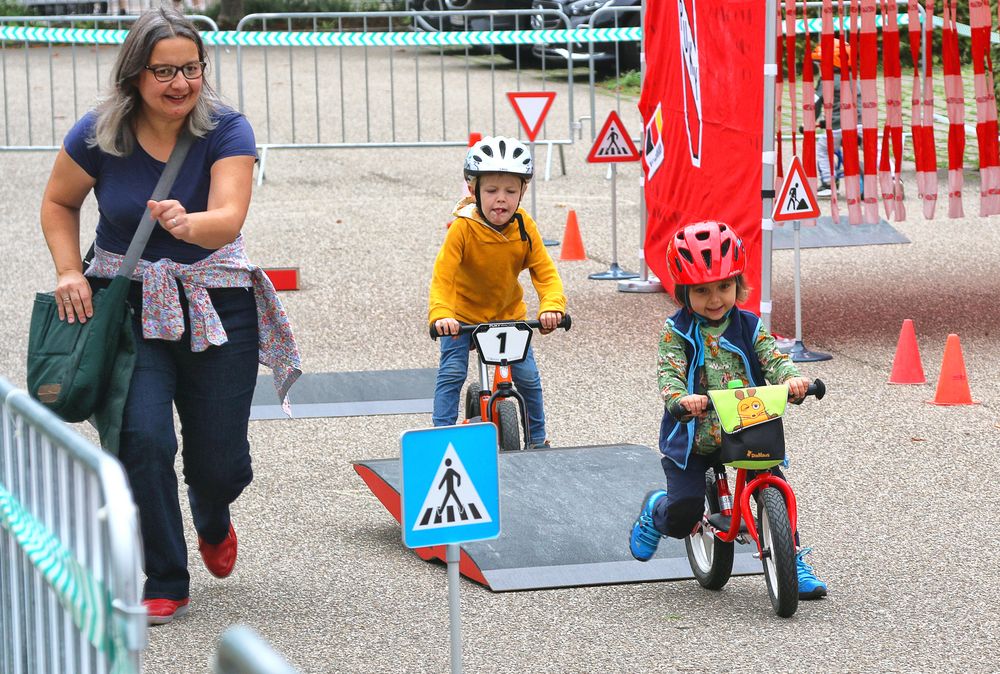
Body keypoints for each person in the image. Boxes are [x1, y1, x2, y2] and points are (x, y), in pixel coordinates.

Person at [39, 7, 300, 625]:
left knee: (220, 462)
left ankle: (213, 514)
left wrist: (191, 223)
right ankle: (164, 574)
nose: (180, 83)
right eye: (164, 71)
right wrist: (69, 270)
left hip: (216, 302)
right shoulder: (98, 134)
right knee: (142, 439)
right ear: (135, 74)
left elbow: (229, 216)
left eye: (191, 69)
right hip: (126, 304)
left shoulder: (227, 129)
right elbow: (57, 201)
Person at [627, 221, 827, 599]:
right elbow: (668, 370)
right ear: (684, 292)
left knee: (776, 488)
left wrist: (791, 380)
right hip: (693, 435)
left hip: (746, 426)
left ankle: (793, 559)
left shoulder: (748, 325)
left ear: (738, 284)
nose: (715, 298)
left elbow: (772, 357)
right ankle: (657, 510)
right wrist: (680, 399)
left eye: (724, 286)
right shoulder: (676, 331)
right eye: (702, 290)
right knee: (684, 513)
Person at [428, 136, 566, 448]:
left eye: (510, 191)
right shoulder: (463, 228)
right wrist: (442, 315)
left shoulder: (524, 227)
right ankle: (440, 437)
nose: (500, 199)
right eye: (491, 191)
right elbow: (443, 277)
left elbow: (544, 271)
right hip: (461, 318)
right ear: (474, 190)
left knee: (528, 378)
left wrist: (551, 306)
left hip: (508, 317)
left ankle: (538, 440)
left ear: (523, 192)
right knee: (452, 372)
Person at [810, 39, 862, 198]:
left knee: (822, 149)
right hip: (861, 124)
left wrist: (809, 121)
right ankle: (894, 178)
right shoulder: (854, 77)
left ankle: (827, 184)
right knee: (874, 150)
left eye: (820, 64)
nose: (819, 68)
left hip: (838, 127)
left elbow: (816, 104)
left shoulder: (827, 80)